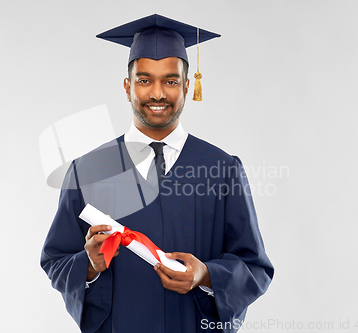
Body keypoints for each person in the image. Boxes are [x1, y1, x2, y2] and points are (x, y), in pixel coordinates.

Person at [41, 14, 274, 333]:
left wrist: (205, 274)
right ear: (127, 87)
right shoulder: (87, 170)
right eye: (144, 79)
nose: (158, 94)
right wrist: (90, 266)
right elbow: (56, 260)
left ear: (188, 86)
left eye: (171, 80)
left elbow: (255, 268)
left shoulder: (222, 168)